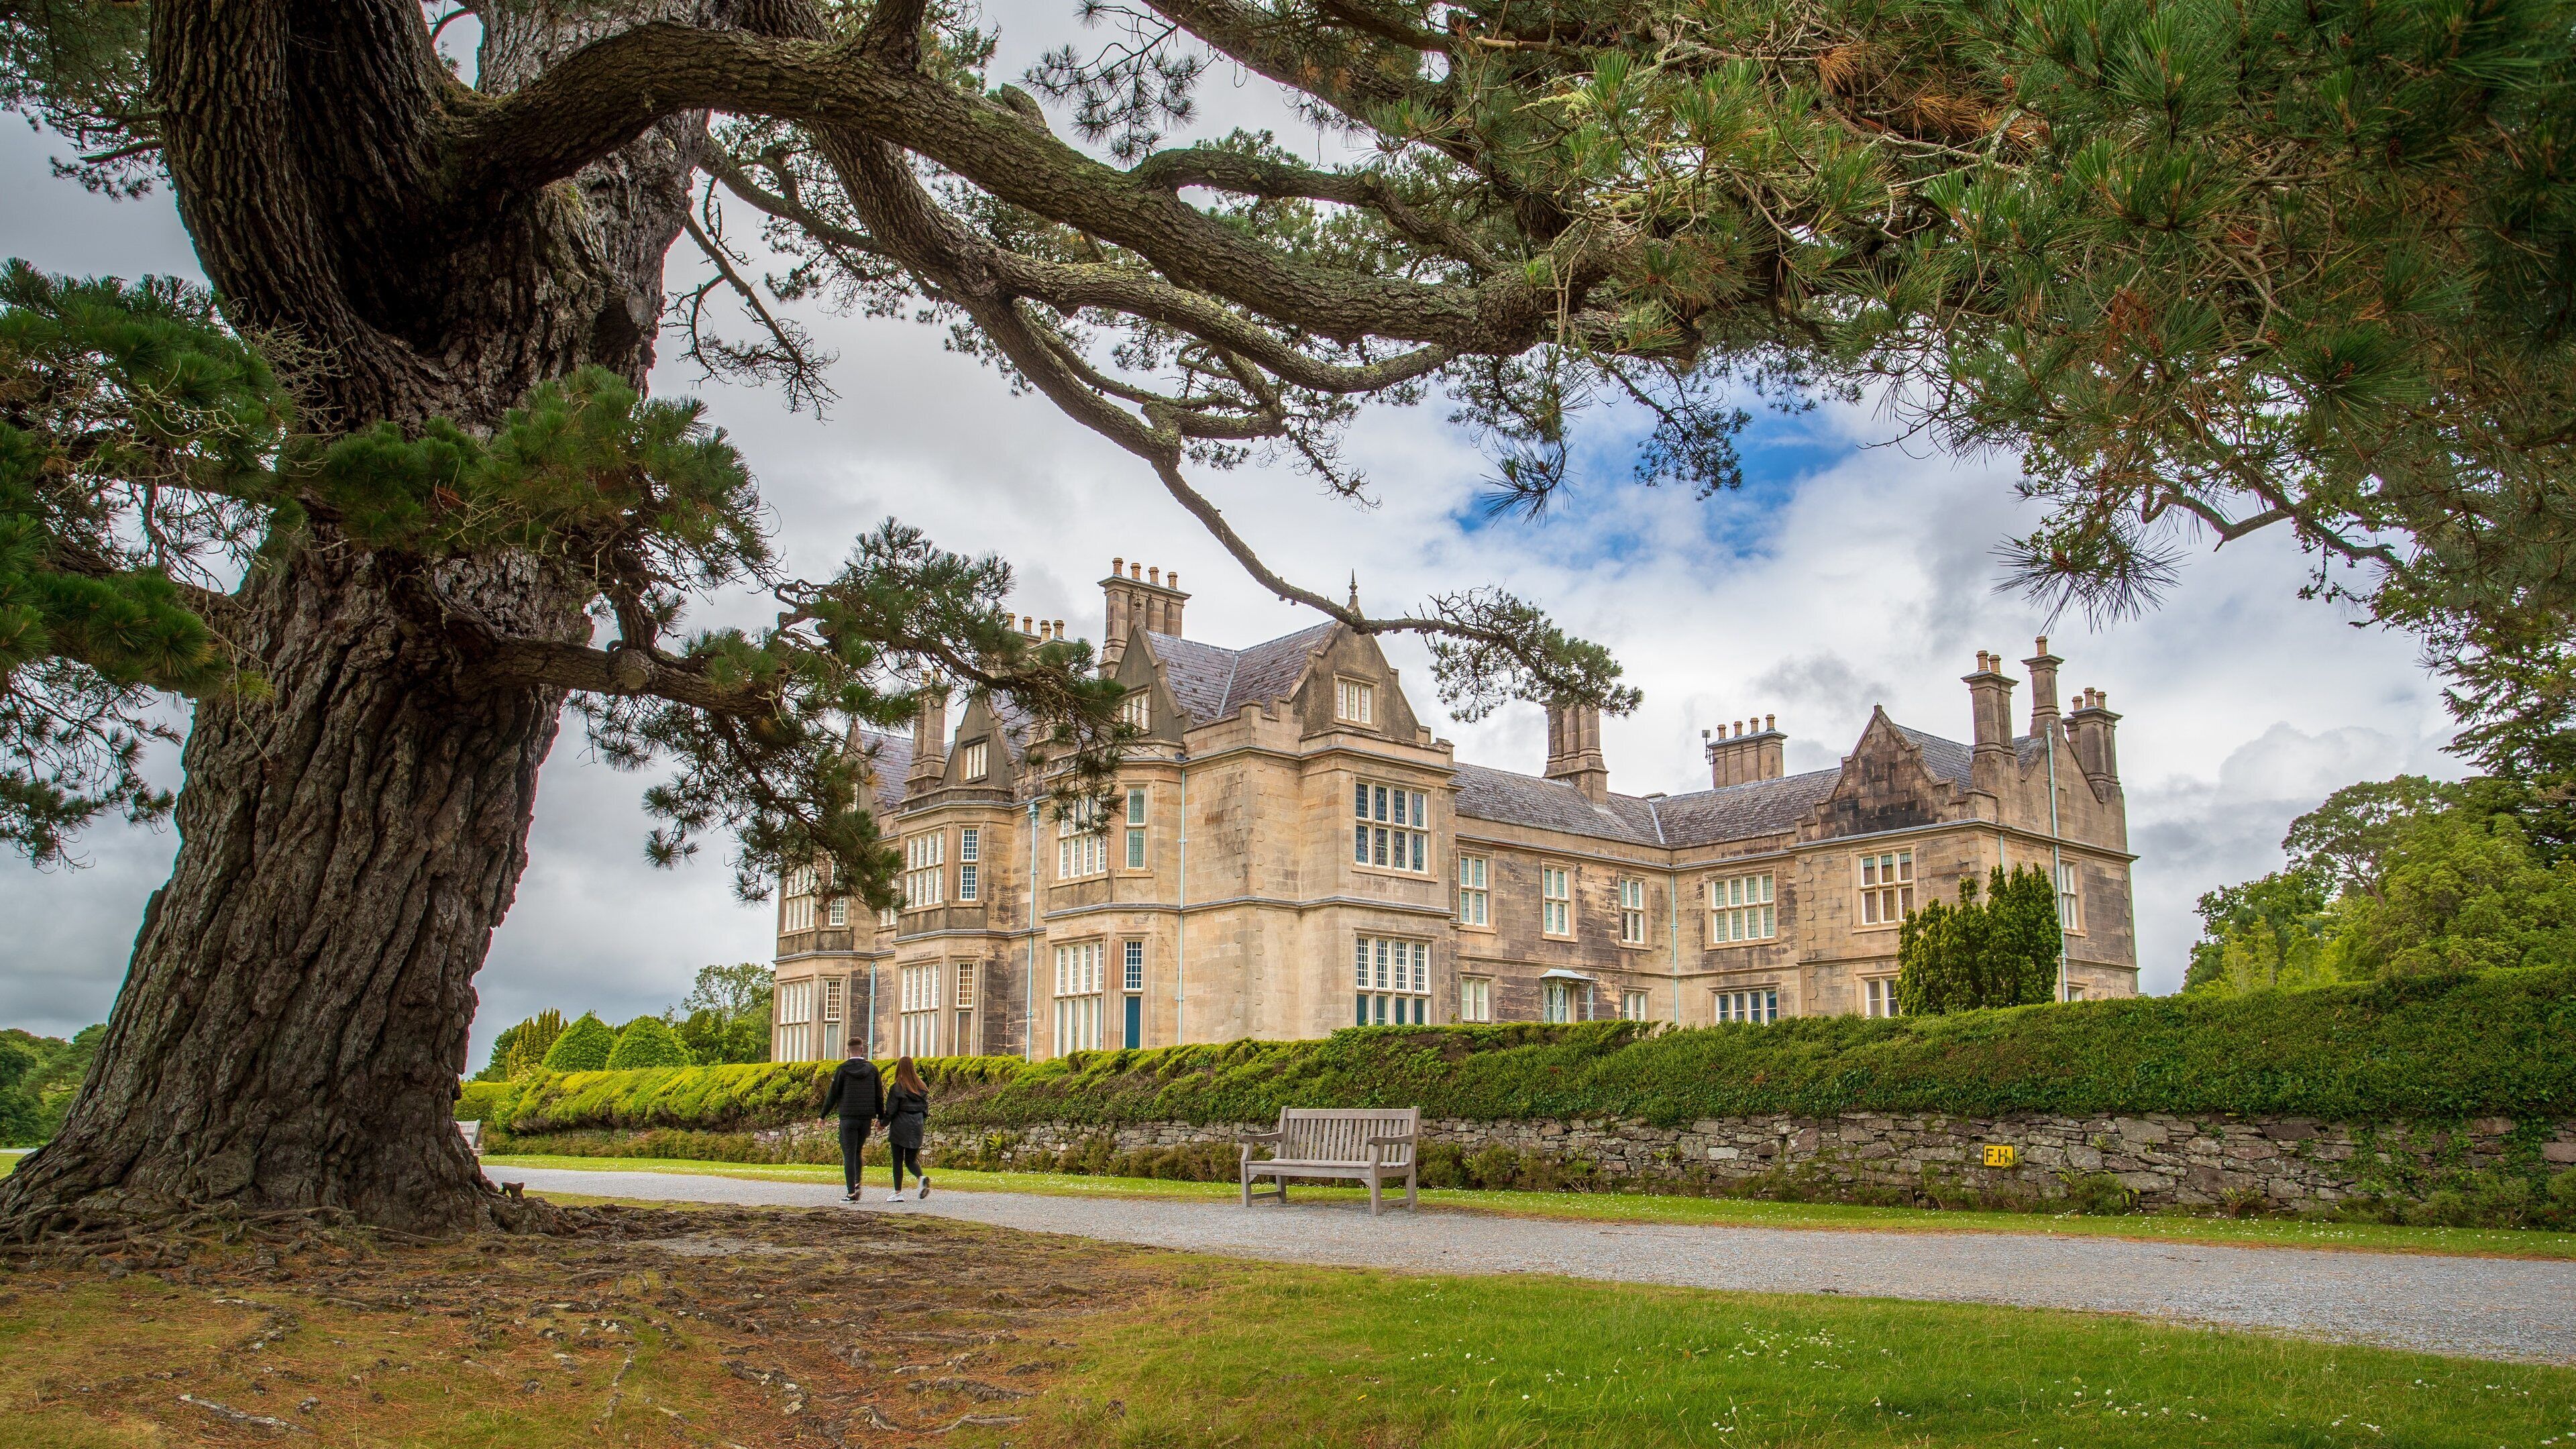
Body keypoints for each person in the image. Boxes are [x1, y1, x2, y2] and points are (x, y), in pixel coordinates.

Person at [818, 1044, 885, 1202]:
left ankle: (851, 1192)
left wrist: (823, 1115)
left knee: (849, 1153)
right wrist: (881, 1117)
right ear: (862, 1050)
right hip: (865, 1118)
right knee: (857, 1152)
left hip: (848, 1117)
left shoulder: (842, 1070)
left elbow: (832, 1095)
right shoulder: (872, 1070)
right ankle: (856, 1183)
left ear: (848, 1051)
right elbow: (879, 1095)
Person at [881, 1055, 932, 1201]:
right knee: (910, 1160)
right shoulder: (922, 1088)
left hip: (900, 1125)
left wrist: (882, 1123)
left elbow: (891, 1110)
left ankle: (898, 1193)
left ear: (899, 1068)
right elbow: (925, 1111)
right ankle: (921, 1177)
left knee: (897, 1160)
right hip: (917, 1125)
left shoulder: (897, 1087)